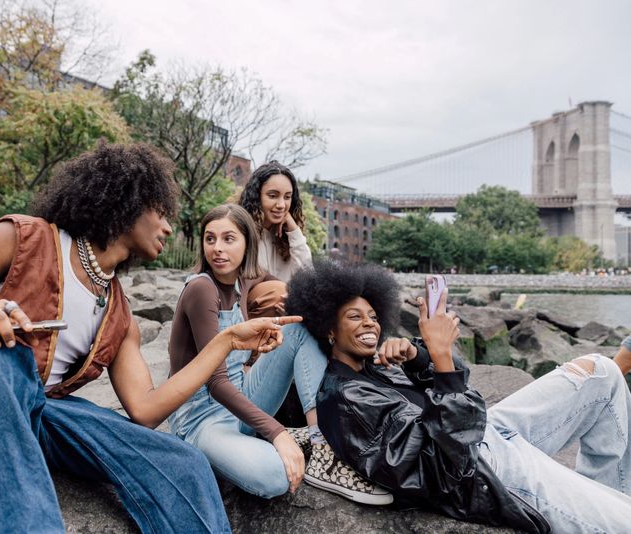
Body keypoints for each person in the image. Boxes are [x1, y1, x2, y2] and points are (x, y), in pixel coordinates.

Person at [0, 143, 300, 534]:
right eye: (160, 211)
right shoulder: (23, 238)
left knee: (182, 460)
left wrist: (225, 342)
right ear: (127, 202)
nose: (169, 226)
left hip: (41, 416)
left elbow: (145, 411)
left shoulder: (119, 313)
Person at [288, 260, 631, 532]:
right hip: (486, 470)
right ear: (329, 329)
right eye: (354, 317)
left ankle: (603, 499)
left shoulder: (369, 370)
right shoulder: (346, 399)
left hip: (488, 434)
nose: (370, 324)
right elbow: (438, 468)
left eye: (374, 316)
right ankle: (600, 510)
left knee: (601, 371)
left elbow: (460, 393)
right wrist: (440, 355)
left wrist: (418, 357)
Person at [167, 204, 391, 504]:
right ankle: (283, 439)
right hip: (203, 418)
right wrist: (277, 433)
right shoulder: (201, 289)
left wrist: (265, 340)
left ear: (247, 243)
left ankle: (319, 441)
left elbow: (301, 278)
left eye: (228, 239)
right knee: (277, 476)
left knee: (298, 328)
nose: (217, 249)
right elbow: (216, 382)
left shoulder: (240, 282)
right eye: (210, 239)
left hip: (242, 396)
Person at [238, 161, 312, 283]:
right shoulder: (240, 233)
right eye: (273, 196)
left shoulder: (290, 239)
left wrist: (294, 231)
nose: (281, 205)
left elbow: (308, 280)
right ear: (257, 196)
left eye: (287, 197)